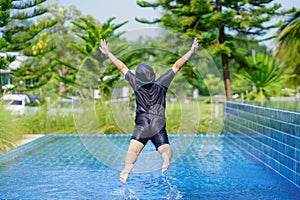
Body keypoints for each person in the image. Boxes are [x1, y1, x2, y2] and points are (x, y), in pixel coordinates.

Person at [99, 38, 198, 183]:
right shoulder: (162, 83)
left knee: (132, 152)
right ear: (153, 75)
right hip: (158, 124)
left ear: (138, 77)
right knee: (165, 148)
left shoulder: (135, 83)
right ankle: (165, 159)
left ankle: (127, 168)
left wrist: (108, 54)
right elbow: (177, 65)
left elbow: (122, 67)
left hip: (142, 124)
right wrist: (191, 51)